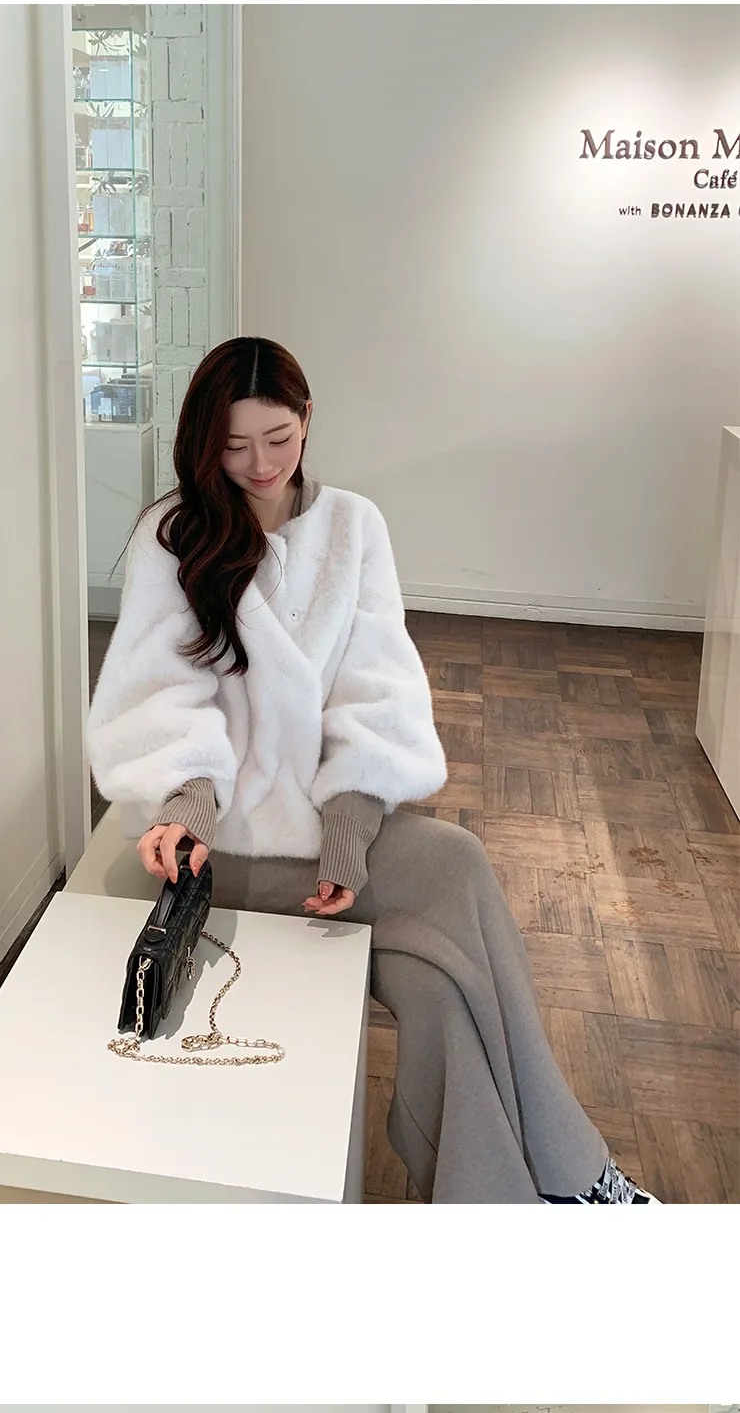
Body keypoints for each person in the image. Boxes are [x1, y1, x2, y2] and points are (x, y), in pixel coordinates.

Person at [87, 332, 655, 1209]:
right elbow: (160, 691)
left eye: (278, 438)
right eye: (234, 446)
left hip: (322, 829)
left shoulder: (354, 526)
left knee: (436, 989)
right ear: (204, 443)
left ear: (307, 420)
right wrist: (189, 796)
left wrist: (351, 822)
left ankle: (500, 1202)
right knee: (456, 860)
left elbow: (377, 680)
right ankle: (579, 1175)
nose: (259, 464)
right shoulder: (176, 535)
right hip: (222, 839)